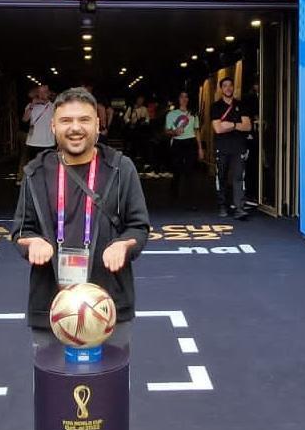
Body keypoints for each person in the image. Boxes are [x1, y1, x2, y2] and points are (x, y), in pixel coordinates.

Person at [12, 87, 150, 333]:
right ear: (53, 127)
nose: (75, 128)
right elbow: (21, 230)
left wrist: (123, 244)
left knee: (111, 372)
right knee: (52, 373)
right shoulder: (36, 172)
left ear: (98, 125)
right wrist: (33, 243)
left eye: (84, 120)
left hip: (109, 304)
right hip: (52, 307)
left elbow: (138, 226)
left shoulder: (120, 168)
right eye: (66, 120)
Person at [211, 77, 251, 219]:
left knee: (238, 177)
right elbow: (218, 129)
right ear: (221, 89)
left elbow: (247, 126)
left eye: (230, 85)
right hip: (222, 147)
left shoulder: (241, 105)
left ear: (233, 88)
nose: (228, 88)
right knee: (221, 176)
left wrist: (231, 125)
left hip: (238, 147)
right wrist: (236, 125)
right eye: (225, 86)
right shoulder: (215, 106)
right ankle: (222, 205)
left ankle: (239, 208)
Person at [165, 91, 204, 209]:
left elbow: (197, 131)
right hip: (177, 142)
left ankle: (191, 201)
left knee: (190, 172)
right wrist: (174, 132)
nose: (184, 99)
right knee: (176, 171)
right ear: (178, 99)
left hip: (190, 142)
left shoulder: (193, 114)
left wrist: (200, 148)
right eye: (181, 97)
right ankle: (174, 197)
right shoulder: (171, 114)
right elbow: (166, 131)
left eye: (186, 97)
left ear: (188, 99)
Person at [22, 84, 55, 161]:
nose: (43, 94)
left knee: (48, 168)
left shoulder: (53, 107)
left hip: (48, 143)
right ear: (37, 93)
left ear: (49, 93)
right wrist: (32, 105)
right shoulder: (30, 106)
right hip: (33, 143)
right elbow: (25, 119)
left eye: (45, 92)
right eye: (40, 92)